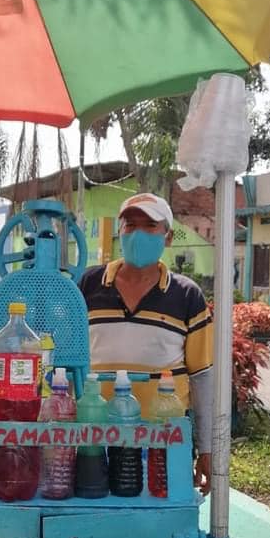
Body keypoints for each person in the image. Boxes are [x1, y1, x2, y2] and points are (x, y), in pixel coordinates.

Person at [78, 193, 213, 494]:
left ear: (168, 237)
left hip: (162, 440)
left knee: (163, 514)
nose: (138, 234)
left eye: (150, 226)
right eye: (130, 225)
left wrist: (206, 448)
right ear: (120, 232)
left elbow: (202, 376)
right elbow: (64, 357)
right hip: (95, 438)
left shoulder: (187, 295)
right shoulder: (87, 285)